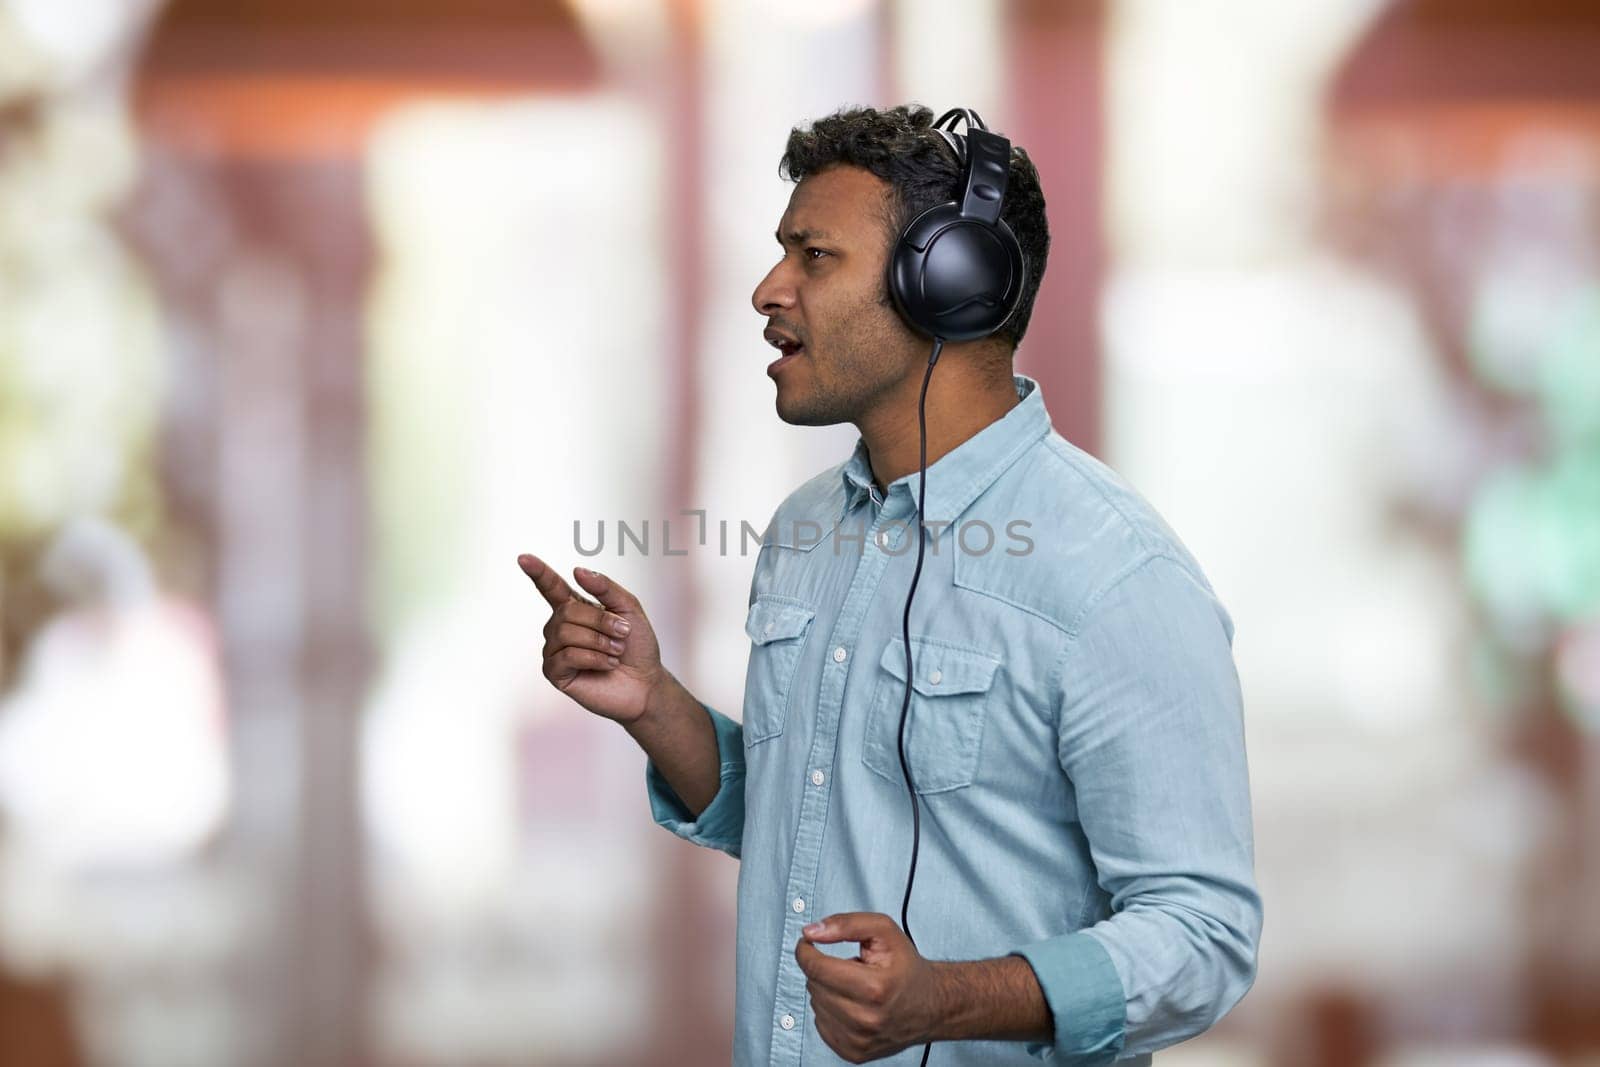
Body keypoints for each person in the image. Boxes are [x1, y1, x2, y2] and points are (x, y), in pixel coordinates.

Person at [519, 104, 1261, 1066]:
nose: (766, 288)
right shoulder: (804, 529)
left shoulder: (1117, 577)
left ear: (947, 284)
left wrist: (945, 999)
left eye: (813, 256)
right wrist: (655, 705)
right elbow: (815, 816)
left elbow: (1203, 938)